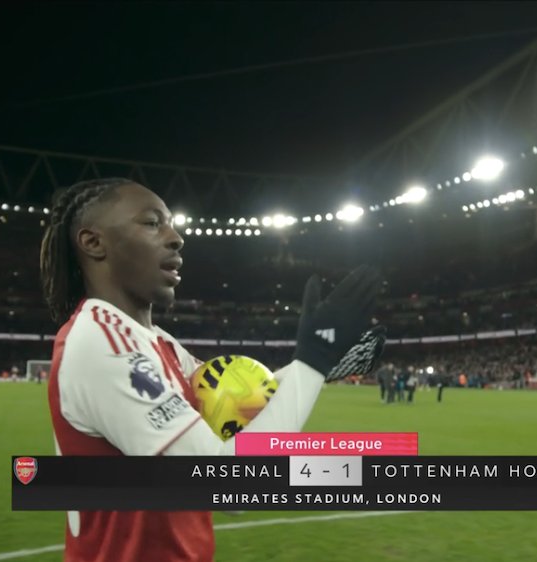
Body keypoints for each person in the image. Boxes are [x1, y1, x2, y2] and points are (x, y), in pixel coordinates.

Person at [39, 178, 383, 561]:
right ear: (93, 242)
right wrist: (312, 362)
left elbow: (242, 397)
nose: (176, 238)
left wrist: (320, 366)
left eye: (172, 224)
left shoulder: (154, 341)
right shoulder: (103, 343)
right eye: (152, 223)